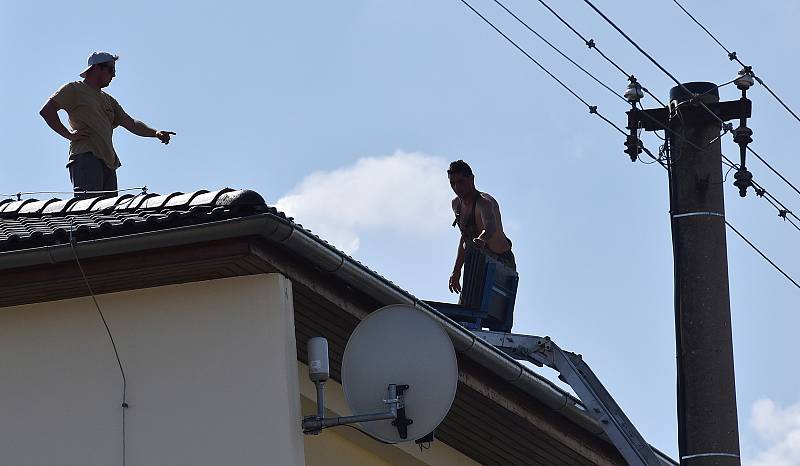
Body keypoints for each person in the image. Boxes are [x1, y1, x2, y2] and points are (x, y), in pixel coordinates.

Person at [39, 51, 175, 198]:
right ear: (97, 68)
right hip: (86, 157)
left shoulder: (108, 100)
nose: (114, 75)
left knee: (108, 213)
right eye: (111, 70)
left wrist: (155, 133)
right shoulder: (74, 89)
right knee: (89, 209)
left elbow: (131, 123)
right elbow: (47, 111)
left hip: (108, 163)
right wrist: (69, 135)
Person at [448, 160, 515, 294]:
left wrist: (482, 239)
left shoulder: (485, 202)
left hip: (500, 262)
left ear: (471, 179)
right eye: (452, 183)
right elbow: (464, 238)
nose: (457, 187)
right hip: (477, 261)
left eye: (461, 182)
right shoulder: (456, 205)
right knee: (466, 305)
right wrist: (456, 271)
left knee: (492, 310)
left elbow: (490, 226)